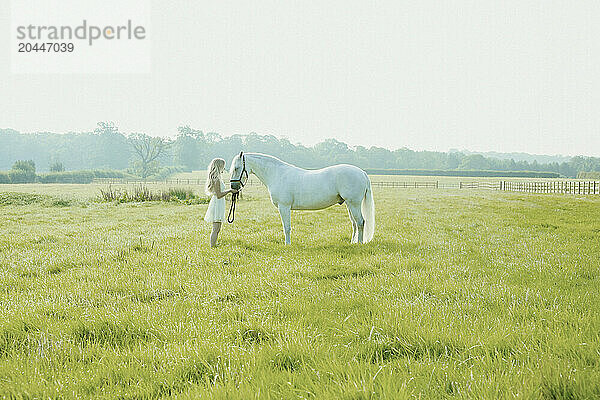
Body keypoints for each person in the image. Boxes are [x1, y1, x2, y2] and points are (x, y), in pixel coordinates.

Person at [204, 158, 238, 247]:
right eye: (223, 166)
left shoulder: (217, 178)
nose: (224, 168)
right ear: (219, 166)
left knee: (217, 228)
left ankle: (214, 244)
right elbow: (219, 195)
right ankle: (212, 246)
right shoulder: (216, 179)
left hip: (218, 203)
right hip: (217, 203)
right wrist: (230, 191)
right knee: (216, 228)